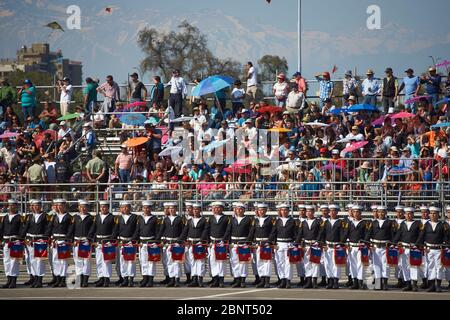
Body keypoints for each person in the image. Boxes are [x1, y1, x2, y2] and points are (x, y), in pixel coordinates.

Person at [417, 206, 449, 292]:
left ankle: (438, 285)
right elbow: (421, 236)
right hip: (429, 249)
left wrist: (446, 246)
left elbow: (445, 238)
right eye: (431, 213)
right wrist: (420, 245)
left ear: (438, 214)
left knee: (439, 268)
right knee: (430, 267)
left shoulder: (442, 225)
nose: (432, 215)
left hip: (439, 249)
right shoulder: (426, 224)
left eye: (434, 213)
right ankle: (431, 286)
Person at [365, 205, 396, 290]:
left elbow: (392, 235)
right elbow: (369, 234)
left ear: (386, 213)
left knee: (385, 265)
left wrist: (392, 245)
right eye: (379, 212)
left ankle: (385, 283)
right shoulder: (373, 223)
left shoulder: (390, 222)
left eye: (383, 212)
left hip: (385, 247)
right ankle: (378, 284)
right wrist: (368, 244)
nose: (381, 214)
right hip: (375, 247)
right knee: (376, 265)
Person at [21, 199, 50, 288]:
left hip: (40, 240)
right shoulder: (30, 216)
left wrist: (44, 238)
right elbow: (26, 228)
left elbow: (48, 228)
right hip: (30, 241)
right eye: (33, 205)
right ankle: (35, 279)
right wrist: (22, 238)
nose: (35, 207)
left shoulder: (45, 216)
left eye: (37, 205)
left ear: (40, 206)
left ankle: (39, 280)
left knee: (40, 261)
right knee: (32, 261)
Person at [46, 198, 74, 288]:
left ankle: (62, 279)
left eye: (61, 205)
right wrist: (47, 237)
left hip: (63, 240)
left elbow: (70, 229)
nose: (59, 207)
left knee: (63, 261)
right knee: (55, 261)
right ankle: (57, 279)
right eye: (58, 205)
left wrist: (67, 239)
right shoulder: (54, 216)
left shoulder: (69, 217)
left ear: (65, 206)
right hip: (55, 240)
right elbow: (50, 228)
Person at [88, 200, 117, 287]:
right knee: (99, 261)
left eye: (104, 207)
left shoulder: (112, 217)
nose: (103, 208)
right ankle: (100, 277)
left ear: (108, 207)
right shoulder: (97, 217)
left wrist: (110, 241)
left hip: (107, 242)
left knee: (107, 261)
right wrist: (91, 239)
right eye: (101, 207)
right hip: (98, 242)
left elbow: (114, 231)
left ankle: (106, 279)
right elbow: (93, 228)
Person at [156, 202, 185, 287]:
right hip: (168, 244)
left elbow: (183, 231)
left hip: (177, 243)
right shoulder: (166, 219)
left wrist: (180, 241)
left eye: (173, 208)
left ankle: (177, 280)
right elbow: (161, 230)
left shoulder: (180, 219)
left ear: (176, 209)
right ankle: (171, 279)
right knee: (169, 262)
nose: (171, 210)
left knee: (177, 263)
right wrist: (157, 241)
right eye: (170, 208)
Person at [392, 207, 422, 291]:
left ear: (413, 214)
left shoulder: (417, 223)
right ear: (404, 215)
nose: (408, 215)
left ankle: (414, 284)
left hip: (414, 248)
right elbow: (398, 234)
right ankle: (408, 283)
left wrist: (417, 244)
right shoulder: (402, 224)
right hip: (404, 248)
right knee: (404, 266)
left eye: (410, 214)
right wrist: (393, 243)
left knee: (414, 266)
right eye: (407, 214)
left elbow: (420, 235)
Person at [270, 203, 298, 289]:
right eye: (282, 210)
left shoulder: (292, 221)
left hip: (288, 244)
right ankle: (282, 280)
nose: (284, 211)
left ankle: (288, 281)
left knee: (288, 264)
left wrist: (295, 244)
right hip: (279, 244)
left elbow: (295, 233)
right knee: (279, 263)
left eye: (286, 210)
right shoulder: (277, 221)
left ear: (288, 211)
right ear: (280, 211)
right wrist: (271, 243)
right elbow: (273, 232)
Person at [225, 202, 253, 288]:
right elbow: (228, 231)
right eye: (237, 209)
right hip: (233, 244)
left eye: (241, 209)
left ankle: (242, 280)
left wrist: (248, 242)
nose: (239, 211)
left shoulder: (248, 219)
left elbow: (250, 232)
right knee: (234, 262)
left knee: (243, 263)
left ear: (244, 210)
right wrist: (226, 241)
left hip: (243, 243)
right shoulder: (232, 219)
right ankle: (236, 279)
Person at [180, 202, 208, 287]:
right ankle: (194, 279)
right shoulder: (189, 221)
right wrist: (180, 240)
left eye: (197, 209)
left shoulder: (204, 220)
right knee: (192, 263)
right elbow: (185, 232)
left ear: (200, 210)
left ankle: (200, 280)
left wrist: (202, 241)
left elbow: (205, 231)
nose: (195, 211)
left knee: (200, 262)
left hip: (199, 244)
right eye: (194, 209)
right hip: (190, 244)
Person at [247, 203, 275, 288]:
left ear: (266, 210)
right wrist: (248, 242)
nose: (261, 212)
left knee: (267, 263)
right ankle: (262, 280)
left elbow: (273, 232)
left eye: (263, 210)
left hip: (266, 244)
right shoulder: (255, 220)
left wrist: (269, 242)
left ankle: (267, 281)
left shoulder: (270, 220)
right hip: (257, 245)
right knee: (259, 263)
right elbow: (252, 231)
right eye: (259, 210)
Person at [133, 200, 159, 287]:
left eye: (148, 208)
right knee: (143, 261)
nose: (146, 209)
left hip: (151, 243)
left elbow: (157, 232)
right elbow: (137, 231)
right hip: (142, 243)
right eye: (144, 208)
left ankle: (150, 279)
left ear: (150, 208)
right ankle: (145, 278)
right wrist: (134, 241)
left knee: (151, 262)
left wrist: (156, 242)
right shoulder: (140, 218)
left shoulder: (155, 218)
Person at [296, 205, 323, 289]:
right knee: (307, 264)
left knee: (315, 263)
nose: (309, 213)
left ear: (313, 212)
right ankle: (308, 281)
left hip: (315, 245)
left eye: (311, 211)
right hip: (306, 245)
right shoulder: (303, 222)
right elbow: (300, 233)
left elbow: (320, 232)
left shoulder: (318, 221)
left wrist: (317, 242)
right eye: (307, 211)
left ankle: (314, 282)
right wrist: (297, 243)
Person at [343, 205, 369, 290]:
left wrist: (364, 244)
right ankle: (355, 282)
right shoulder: (350, 223)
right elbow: (346, 234)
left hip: (360, 247)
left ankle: (360, 282)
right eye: (354, 212)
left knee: (360, 265)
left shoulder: (364, 223)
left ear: (361, 213)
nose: (355, 213)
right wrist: (345, 244)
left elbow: (366, 235)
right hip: (351, 247)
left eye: (357, 212)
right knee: (352, 265)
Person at [112, 201, 138, 287]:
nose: (124, 208)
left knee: (131, 262)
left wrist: (133, 240)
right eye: (123, 207)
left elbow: (137, 230)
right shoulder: (118, 218)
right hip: (121, 243)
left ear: (130, 208)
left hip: (131, 242)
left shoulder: (135, 217)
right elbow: (115, 230)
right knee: (122, 262)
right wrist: (113, 240)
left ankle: (131, 280)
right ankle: (125, 279)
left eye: (126, 207)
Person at [204, 201, 229, 288]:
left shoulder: (226, 218)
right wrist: (206, 241)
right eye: (214, 208)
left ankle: (221, 280)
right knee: (213, 262)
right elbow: (207, 230)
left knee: (221, 262)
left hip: (221, 243)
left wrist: (224, 241)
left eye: (217, 207)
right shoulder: (211, 218)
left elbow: (227, 231)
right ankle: (215, 279)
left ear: (222, 208)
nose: (215, 209)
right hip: (212, 243)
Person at [321, 204, 346, 289]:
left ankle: (335, 281)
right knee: (328, 264)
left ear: (337, 212)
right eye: (330, 211)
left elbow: (343, 234)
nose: (332, 212)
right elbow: (323, 234)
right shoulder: (326, 222)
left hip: (336, 246)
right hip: (328, 246)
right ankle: (330, 281)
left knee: (336, 265)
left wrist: (341, 244)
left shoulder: (340, 222)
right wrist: (323, 244)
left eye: (334, 211)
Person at [0, 199, 23, 289]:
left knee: (14, 261)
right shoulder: (5, 217)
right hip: (6, 241)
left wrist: (19, 239)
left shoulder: (19, 217)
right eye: (10, 205)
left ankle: (13, 280)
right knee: (6, 261)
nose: (11, 207)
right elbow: (1, 229)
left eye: (13, 205)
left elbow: (21, 229)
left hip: (15, 241)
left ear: (16, 206)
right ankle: (8, 279)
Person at [72, 199, 94, 287]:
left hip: (86, 242)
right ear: (78, 208)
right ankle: (79, 279)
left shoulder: (91, 218)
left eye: (85, 207)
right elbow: (72, 229)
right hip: (77, 241)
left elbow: (92, 230)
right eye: (81, 207)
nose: (83, 209)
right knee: (78, 261)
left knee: (86, 261)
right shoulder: (75, 217)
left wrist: (89, 239)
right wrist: (71, 239)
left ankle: (85, 280)